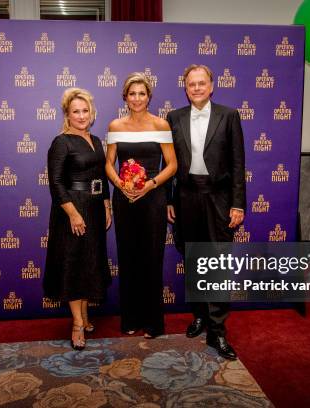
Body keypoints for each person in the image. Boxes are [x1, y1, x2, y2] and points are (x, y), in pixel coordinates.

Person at [166, 64, 246, 360]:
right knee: (193, 259)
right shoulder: (173, 117)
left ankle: (218, 332)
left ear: (211, 86)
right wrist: (169, 200)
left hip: (218, 198)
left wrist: (238, 203)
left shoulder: (229, 115)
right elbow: (169, 166)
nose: (197, 88)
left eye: (202, 83)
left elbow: (238, 163)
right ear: (185, 88)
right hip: (186, 197)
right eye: (191, 84)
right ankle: (199, 315)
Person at [105, 73, 177, 339]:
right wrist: (120, 185)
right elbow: (108, 163)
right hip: (124, 199)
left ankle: (153, 322)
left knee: (151, 259)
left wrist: (151, 184)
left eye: (142, 93)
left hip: (153, 198)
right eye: (132, 94)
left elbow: (172, 165)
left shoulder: (161, 125)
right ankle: (131, 319)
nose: (137, 98)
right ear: (125, 97)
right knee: (128, 258)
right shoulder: (115, 126)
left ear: (149, 96)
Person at [44, 88, 112, 350]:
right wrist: (73, 213)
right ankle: (76, 325)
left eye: (85, 111)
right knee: (73, 264)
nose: (81, 116)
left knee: (88, 262)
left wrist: (106, 205)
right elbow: (56, 182)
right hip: (72, 210)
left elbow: (101, 174)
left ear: (92, 113)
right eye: (76, 112)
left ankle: (84, 316)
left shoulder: (95, 139)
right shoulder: (61, 142)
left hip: (94, 208)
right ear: (67, 115)